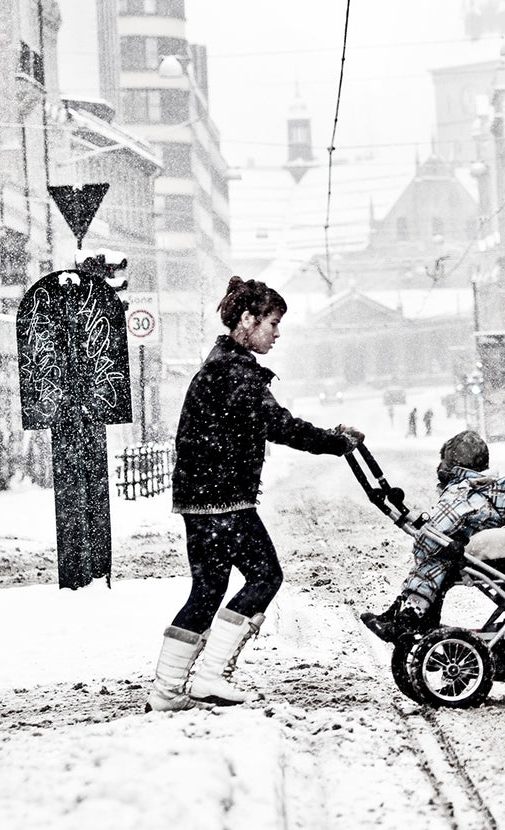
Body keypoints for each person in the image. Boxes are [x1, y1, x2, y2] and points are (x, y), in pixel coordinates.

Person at [146, 276, 364, 712]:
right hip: (222, 498)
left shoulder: (222, 364)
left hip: (202, 497)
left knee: (207, 592)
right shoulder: (234, 372)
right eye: (273, 323)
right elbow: (278, 424)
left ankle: (166, 691)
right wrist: (334, 442)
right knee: (265, 576)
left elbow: (266, 422)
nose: (277, 334)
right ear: (247, 319)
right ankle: (210, 676)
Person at [361, 429, 505, 642]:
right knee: (441, 558)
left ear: (454, 466)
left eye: (443, 462)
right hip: (490, 546)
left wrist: (422, 543)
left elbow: (435, 532)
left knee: (434, 561)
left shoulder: (463, 491)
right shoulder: (496, 487)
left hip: (477, 555)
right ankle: (402, 613)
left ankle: (408, 619)